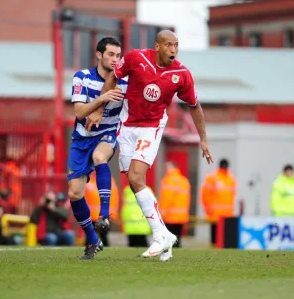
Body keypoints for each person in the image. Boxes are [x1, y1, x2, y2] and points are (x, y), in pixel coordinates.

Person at [86, 30, 213, 261]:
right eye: (168, 45)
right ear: (157, 46)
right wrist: (98, 109)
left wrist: (202, 138)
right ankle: (165, 235)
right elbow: (113, 76)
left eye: (176, 45)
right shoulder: (136, 58)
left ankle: (159, 235)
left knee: (136, 177)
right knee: (133, 182)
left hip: (151, 127)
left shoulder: (182, 74)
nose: (173, 50)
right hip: (126, 125)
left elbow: (194, 105)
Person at [67, 37, 127, 259]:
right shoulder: (81, 77)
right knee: (74, 193)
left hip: (107, 134)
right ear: (99, 55)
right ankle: (93, 240)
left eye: (118, 55)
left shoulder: (125, 81)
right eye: (110, 54)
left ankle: (104, 216)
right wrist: (102, 99)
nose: (115, 59)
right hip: (81, 139)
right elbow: (80, 112)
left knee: (101, 156)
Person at [200, 159, 236, 246]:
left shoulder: (231, 179)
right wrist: (208, 209)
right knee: (215, 240)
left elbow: (232, 196)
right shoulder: (212, 178)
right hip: (215, 214)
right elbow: (205, 194)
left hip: (227, 215)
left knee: (225, 240)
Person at [158, 161, 190, 248]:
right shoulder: (184, 180)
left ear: (172, 167)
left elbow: (167, 199)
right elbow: (187, 200)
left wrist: (161, 214)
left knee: (169, 241)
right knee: (177, 240)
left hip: (170, 216)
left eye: (167, 167)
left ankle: (168, 256)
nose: (166, 169)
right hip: (181, 216)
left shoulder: (168, 180)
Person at [84, 172, 119, 246]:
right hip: (97, 215)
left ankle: (89, 251)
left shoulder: (89, 181)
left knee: (96, 236)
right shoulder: (110, 181)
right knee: (101, 236)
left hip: (96, 214)